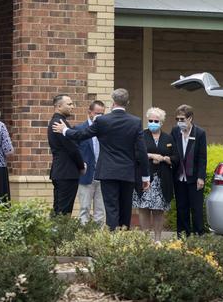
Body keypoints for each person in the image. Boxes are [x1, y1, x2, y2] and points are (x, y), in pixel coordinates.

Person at [53, 88, 150, 230]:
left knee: (110, 206)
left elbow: (82, 135)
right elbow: (142, 151)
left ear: (113, 102)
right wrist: (145, 176)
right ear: (127, 103)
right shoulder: (135, 122)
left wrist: (65, 130)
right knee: (125, 206)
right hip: (127, 172)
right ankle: (123, 234)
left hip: (108, 171)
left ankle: (112, 235)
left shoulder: (103, 120)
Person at [133, 107, 179, 242]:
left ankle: (158, 239)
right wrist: (151, 155)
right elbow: (135, 154)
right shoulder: (141, 135)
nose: (153, 123)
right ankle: (146, 239)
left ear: (161, 122)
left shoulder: (168, 138)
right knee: (144, 209)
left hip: (162, 179)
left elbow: (176, 157)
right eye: (150, 120)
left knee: (159, 210)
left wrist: (164, 158)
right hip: (145, 179)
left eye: (156, 121)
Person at [171, 104, 207, 236]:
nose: (179, 122)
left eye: (182, 119)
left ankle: (198, 236)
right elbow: (173, 152)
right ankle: (182, 236)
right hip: (179, 177)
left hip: (194, 177)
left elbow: (202, 157)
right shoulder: (175, 132)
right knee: (181, 208)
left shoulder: (200, 133)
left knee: (196, 209)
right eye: (177, 119)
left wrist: (201, 177)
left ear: (190, 118)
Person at [47, 94, 85, 215]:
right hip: (66, 172)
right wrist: (81, 165)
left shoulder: (57, 121)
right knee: (63, 212)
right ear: (58, 106)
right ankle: (59, 234)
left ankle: (55, 233)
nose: (72, 107)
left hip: (61, 172)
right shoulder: (59, 124)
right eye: (69, 104)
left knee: (58, 210)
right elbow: (72, 148)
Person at [75, 100, 106, 226]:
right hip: (86, 175)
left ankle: (98, 239)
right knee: (84, 208)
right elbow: (75, 151)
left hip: (102, 175)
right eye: (97, 113)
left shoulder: (106, 130)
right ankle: (84, 237)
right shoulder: (80, 129)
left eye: (102, 114)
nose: (99, 116)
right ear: (89, 113)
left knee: (100, 210)